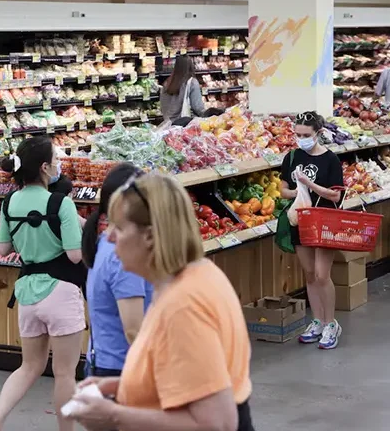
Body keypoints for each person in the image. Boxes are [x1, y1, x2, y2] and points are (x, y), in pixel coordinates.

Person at [68, 173, 255, 431]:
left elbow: (217, 423)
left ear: (149, 236)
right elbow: (186, 376)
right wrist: (123, 386)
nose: (109, 238)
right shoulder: (192, 275)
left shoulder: (183, 306)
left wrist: (114, 415)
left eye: (119, 228)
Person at [0, 136, 86, 431]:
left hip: (27, 292)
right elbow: (75, 255)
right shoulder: (60, 203)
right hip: (61, 291)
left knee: (29, 366)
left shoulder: (10, 202)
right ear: (44, 167)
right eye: (55, 160)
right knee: (65, 373)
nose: (58, 165)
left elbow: (3, 249)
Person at [81, 163, 153, 378]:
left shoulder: (104, 241)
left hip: (105, 361)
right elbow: (133, 329)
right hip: (122, 369)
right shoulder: (121, 256)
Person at [279, 112, 344, 350]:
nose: (301, 139)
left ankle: (331, 323)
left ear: (318, 133)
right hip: (301, 219)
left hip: (325, 221)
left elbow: (336, 195)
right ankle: (316, 320)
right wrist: (297, 192)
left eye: (306, 135)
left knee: (322, 275)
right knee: (308, 274)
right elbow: (283, 190)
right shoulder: (292, 157)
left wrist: (310, 185)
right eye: (297, 134)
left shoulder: (331, 161)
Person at [160, 55, 205, 122]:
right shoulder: (191, 82)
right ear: (191, 66)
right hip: (184, 123)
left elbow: (163, 105)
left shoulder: (167, 82)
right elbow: (197, 107)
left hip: (168, 123)